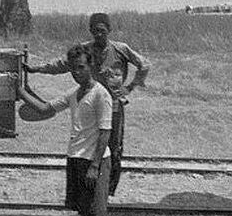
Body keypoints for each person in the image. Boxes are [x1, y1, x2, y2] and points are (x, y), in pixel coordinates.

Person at [26, 11, 149, 195]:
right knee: (88, 147)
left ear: (109, 30)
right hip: (90, 107)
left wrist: (129, 87)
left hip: (114, 107)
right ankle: (91, 188)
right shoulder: (84, 50)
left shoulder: (121, 49)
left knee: (113, 149)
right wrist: (36, 69)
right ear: (90, 31)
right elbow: (61, 64)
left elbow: (144, 65)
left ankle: (107, 191)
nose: (98, 34)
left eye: (102, 30)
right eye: (95, 31)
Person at [19, 47, 112, 216]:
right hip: (76, 158)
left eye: (81, 67)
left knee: (90, 214)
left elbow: (105, 132)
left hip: (93, 161)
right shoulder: (74, 93)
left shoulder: (101, 95)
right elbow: (44, 109)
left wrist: (95, 166)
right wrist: (20, 90)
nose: (77, 73)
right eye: (73, 69)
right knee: (83, 213)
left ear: (90, 66)